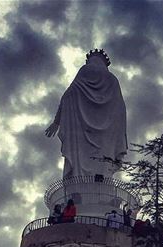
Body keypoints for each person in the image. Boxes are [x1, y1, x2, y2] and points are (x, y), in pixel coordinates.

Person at [45, 49, 127, 179]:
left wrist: (57, 121)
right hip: (106, 133)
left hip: (83, 131)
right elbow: (120, 109)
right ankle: (100, 181)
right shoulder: (112, 79)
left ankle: (81, 182)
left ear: (90, 59)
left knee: (82, 161)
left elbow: (68, 95)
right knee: (102, 161)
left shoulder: (86, 70)